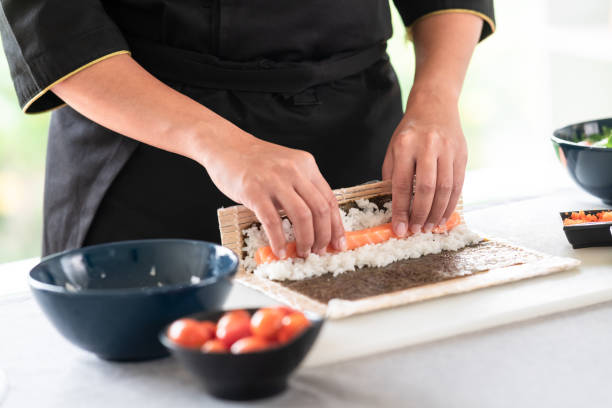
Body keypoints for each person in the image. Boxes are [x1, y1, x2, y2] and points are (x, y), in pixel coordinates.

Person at [0, 1, 494, 259]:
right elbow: (55, 29)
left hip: (360, 139)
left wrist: (435, 100)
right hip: (148, 158)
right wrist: (219, 144)